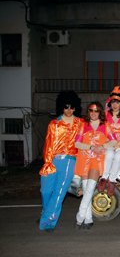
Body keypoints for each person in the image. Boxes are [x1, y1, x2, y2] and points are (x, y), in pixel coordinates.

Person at [39, 92, 83, 231]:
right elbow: (48, 144)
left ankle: (48, 222)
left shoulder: (80, 124)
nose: (69, 110)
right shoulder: (54, 124)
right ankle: (46, 213)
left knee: (58, 194)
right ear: (61, 107)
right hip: (52, 161)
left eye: (72, 107)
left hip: (69, 162)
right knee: (45, 191)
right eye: (66, 107)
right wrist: (48, 162)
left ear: (75, 108)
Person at [74, 102, 117, 230]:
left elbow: (114, 140)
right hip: (83, 158)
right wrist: (91, 147)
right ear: (88, 112)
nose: (93, 113)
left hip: (97, 160)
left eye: (96, 110)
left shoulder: (105, 125)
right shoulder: (83, 125)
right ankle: (88, 219)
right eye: (91, 110)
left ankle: (79, 217)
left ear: (100, 112)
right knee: (86, 187)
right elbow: (77, 143)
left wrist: (102, 146)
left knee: (90, 188)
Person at [97, 93, 120, 196]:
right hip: (109, 143)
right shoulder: (105, 115)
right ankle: (104, 178)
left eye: (118, 102)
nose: (115, 105)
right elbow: (102, 130)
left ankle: (112, 181)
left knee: (118, 156)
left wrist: (119, 145)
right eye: (113, 102)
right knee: (109, 155)